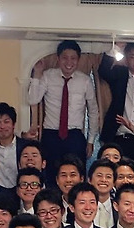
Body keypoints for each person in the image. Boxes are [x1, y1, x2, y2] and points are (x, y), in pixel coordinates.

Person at [26, 41, 99, 174]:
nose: (69, 62)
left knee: (76, 174)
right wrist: (37, 75)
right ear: (58, 59)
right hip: (51, 135)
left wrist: (90, 141)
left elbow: (93, 111)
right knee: (50, 175)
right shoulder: (48, 76)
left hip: (75, 136)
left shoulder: (85, 80)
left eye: (73, 58)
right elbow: (33, 99)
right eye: (65, 58)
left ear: (78, 60)